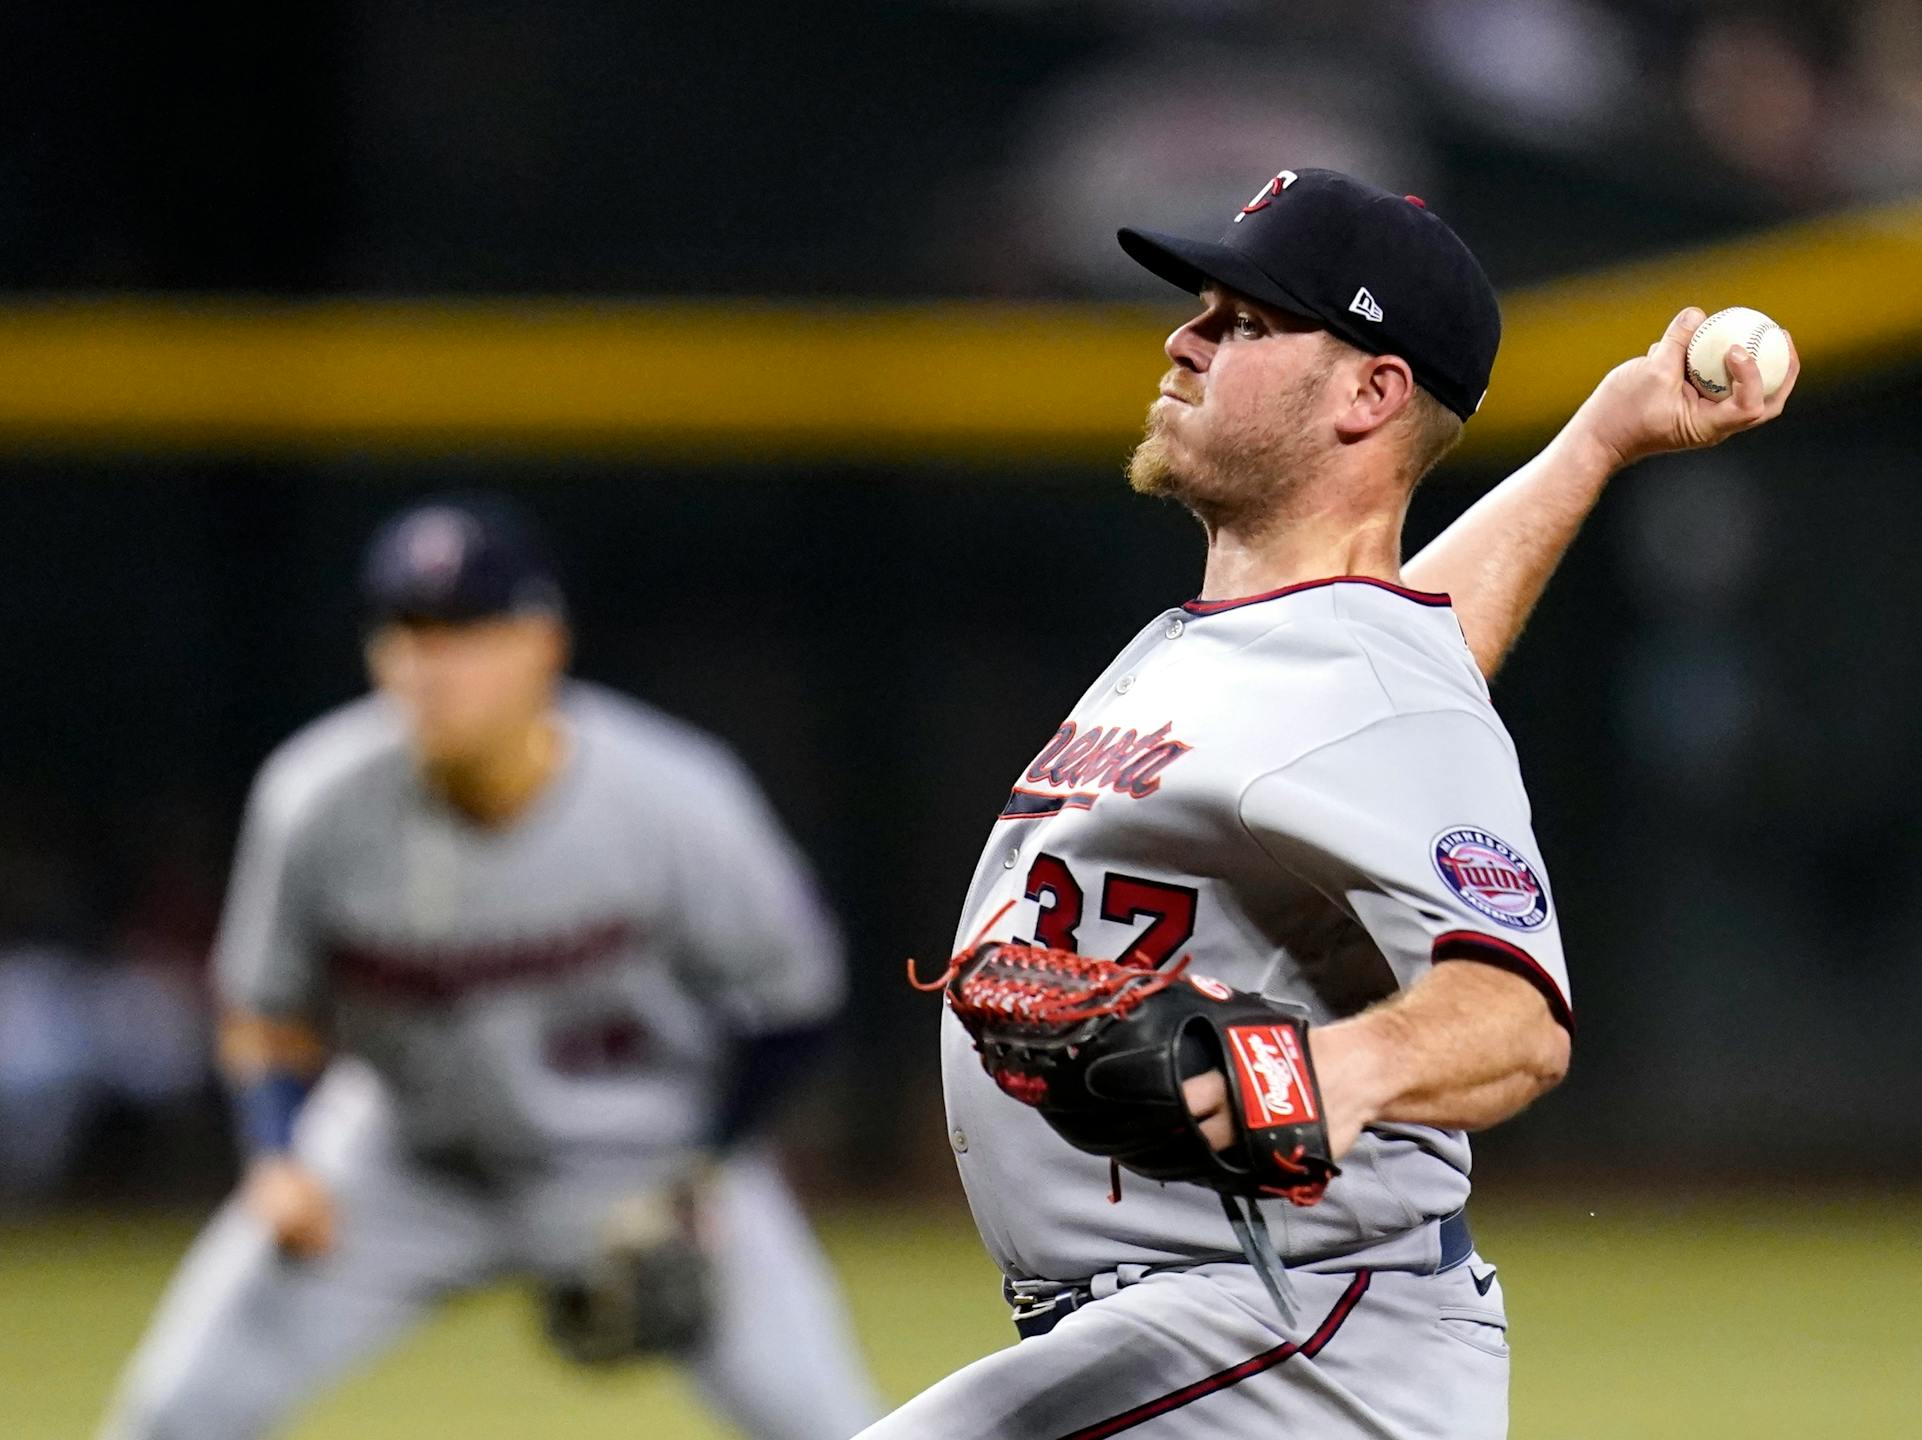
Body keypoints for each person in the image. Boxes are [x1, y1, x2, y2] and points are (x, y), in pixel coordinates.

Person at [864, 168, 1796, 1438]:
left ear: (1372, 393)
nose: (1186, 340)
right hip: (1228, 1338)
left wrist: (1320, 1071)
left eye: (1246, 322)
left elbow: (1518, 1019)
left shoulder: (1371, 694)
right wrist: (1598, 442)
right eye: (1202, 309)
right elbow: (1400, 667)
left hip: (1292, 1344)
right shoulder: (1314, 656)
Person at [99, 496, 884, 1440]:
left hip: (638, 1157)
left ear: (543, 642)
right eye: (409, 634)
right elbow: (265, 1007)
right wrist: (277, 1155)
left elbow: (796, 1002)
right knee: (170, 1416)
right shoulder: (315, 798)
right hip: (399, 1160)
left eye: (468, 632)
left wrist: (704, 1168)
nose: (431, 666)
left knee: (833, 1427)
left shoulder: (674, 797)